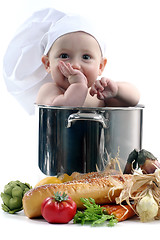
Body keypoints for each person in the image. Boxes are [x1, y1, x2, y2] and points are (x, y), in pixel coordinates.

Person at [3, 8, 140, 114]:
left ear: (100, 66)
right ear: (48, 63)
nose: (75, 65)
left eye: (86, 57)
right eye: (64, 56)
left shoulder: (98, 94)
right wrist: (79, 85)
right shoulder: (49, 91)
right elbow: (63, 108)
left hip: (99, 149)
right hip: (59, 150)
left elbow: (133, 100)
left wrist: (117, 91)